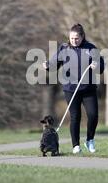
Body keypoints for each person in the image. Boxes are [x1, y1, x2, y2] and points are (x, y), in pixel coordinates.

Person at [43, 23, 104, 154]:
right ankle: (75, 145)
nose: (74, 41)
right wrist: (47, 66)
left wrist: (96, 66)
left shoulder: (91, 48)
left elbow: (101, 66)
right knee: (75, 116)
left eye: (76, 38)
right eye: (71, 38)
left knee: (93, 115)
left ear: (82, 37)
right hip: (71, 89)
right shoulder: (64, 49)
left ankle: (89, 140)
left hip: (88, 88)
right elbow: (54, 64)